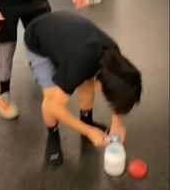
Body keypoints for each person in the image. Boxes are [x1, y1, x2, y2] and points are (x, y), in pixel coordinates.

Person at [24, 10, 142, 166]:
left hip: (67, 38)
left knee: (86, 82)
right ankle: (53, 136)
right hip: (37, 40)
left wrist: (117, 122)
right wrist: (89, 132)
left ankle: (87, 121)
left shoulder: (114, 55)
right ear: (101, 84)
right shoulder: (78, 65)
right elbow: (54, 107)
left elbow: (120, 90)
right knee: (51, 96)